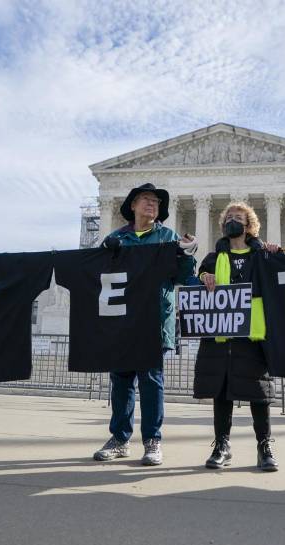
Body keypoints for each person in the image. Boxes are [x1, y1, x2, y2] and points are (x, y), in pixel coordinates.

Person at [92, 183, 197, 466]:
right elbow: (98, 274)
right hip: (122, 320)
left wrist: (187, 254)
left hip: (153, 320)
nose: (152, 204)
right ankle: (120, 439)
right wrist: (104, 252)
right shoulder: (117, 237)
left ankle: (152, 441)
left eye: (156, 202)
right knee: (121, 381)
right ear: (133, 206)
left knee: (151, 382)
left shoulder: (167, 237)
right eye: (146, 200)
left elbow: (180, 277)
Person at [194, 201, 280, 471]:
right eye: (229, 217)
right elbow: (199, 279)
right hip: (221, 333)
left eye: (238, 217)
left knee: (258, 392)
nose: (233, 220)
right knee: (221, 392)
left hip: (252, 334)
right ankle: (222, 445)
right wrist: (204, 277)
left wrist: (275, 255)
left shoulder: (262, 256)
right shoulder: (213, 257)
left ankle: (264, 446)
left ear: (249, 224)